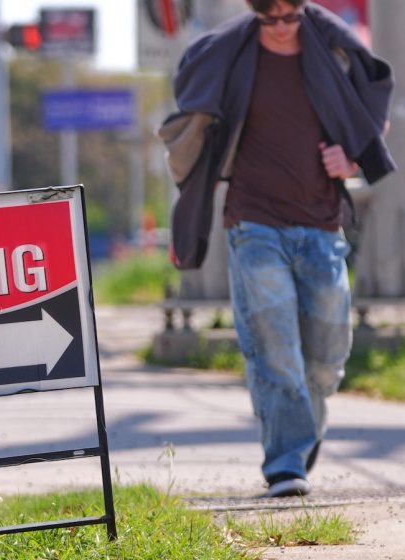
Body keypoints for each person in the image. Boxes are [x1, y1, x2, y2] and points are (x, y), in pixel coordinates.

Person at [161, 0, 396, 497]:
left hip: (322, 224)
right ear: (256, 14)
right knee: (274, 346)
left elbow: (372, 101)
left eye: (292, 16)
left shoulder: (331, 47)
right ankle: (286, 463)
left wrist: (352, 156)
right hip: (254, 223)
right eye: (272, 20)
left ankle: (300, 433)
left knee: (328, 353)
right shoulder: (233, 51)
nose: (284, 29)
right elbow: (189, 83)